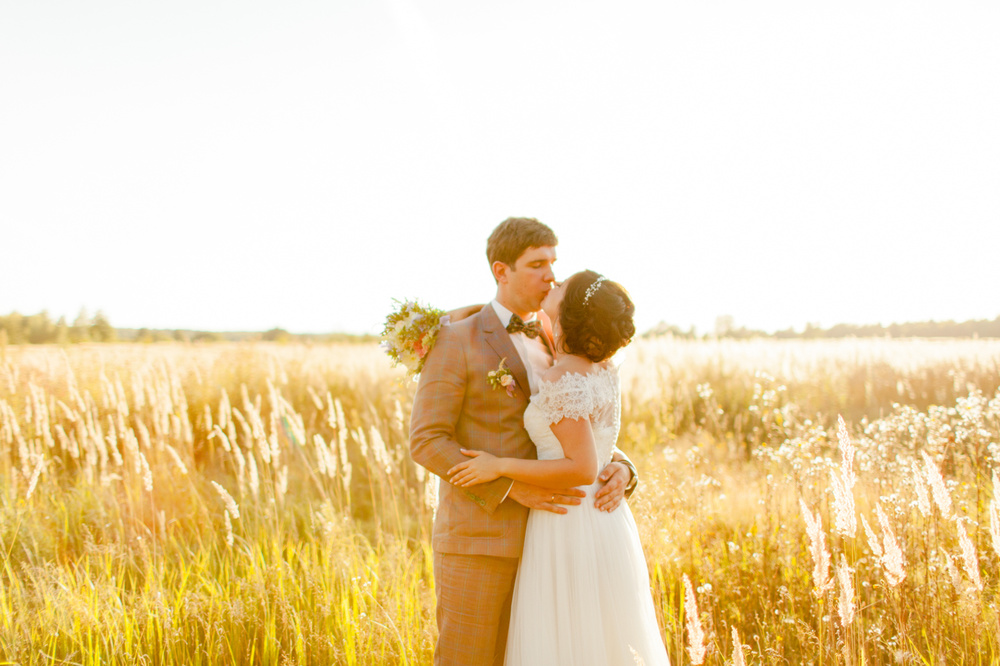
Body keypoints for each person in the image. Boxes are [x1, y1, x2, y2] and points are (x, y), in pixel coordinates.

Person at [409, 218, 638, 666]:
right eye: (537, 264)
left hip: (557, 546)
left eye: (554, 262)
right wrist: (511, 487)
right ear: (502, 271)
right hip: (482, 541)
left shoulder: (562, 337)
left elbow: (581, 423)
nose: (550, 275)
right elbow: (426, 440)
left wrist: (624, 468)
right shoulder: (456, 339)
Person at [448, 269, 671, 666]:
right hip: (602, 521)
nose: (554, 280)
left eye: (563, 284)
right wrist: (621, 467)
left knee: (566, 638)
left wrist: (499, 465)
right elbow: (597, 446)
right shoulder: (599, 370)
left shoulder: (563, 376)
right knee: (597, 637)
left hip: (567, 519)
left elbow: (583, 466)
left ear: (569, 309)